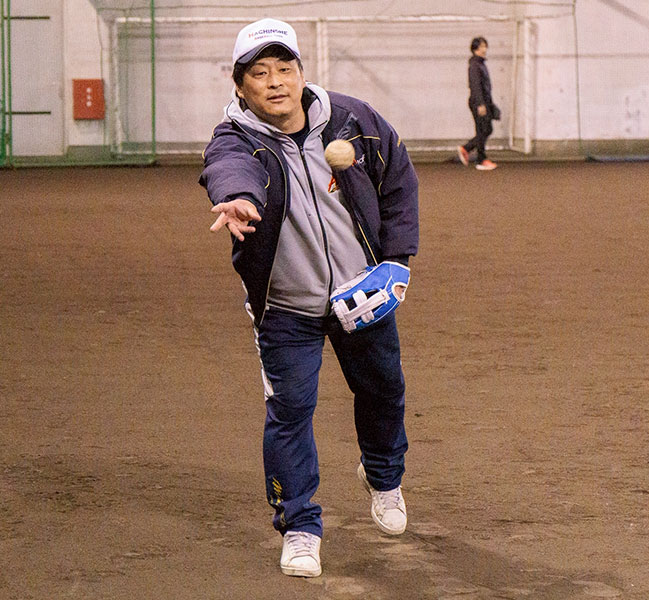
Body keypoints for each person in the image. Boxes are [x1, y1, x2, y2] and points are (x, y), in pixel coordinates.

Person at [198, 18, 419, 578]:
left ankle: (384, 477)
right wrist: (238, 197)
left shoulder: (353, 120)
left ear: (301, 72)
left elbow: (398, 181)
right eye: (259, 73)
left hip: (361, 295)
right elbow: (228, 168)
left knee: (384, 390)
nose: (275, 81)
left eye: (285, 68)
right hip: (285, 308)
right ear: (240, 85)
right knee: (291, 412)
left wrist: (397, 258)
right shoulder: (235, 139)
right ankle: (299, 527)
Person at [457, 36, 499, 170]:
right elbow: (475, 86)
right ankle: (480, 158)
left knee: (485, 129)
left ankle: (469, 150)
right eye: (482, 46)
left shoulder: (480, 64)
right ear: (475, 49)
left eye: (485, 46)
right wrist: (480, 104)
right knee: (484, 129)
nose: (484, 49)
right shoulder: (475, 65)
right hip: (478, 102)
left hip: (484, 101)